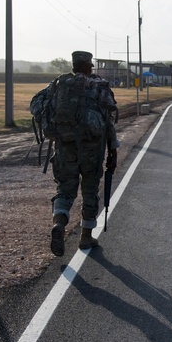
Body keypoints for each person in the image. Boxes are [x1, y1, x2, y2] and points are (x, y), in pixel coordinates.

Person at [47, 50, 119, 255]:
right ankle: (86, 238)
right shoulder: (99, 87)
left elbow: (43, 110)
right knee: (89, 192)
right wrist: (112, 151)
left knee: (65, 191)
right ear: (89, 67)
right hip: (92, 152)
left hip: (65, 148)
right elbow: (108, 122)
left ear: (73, 66)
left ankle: (59, 223)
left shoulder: (60, 85)